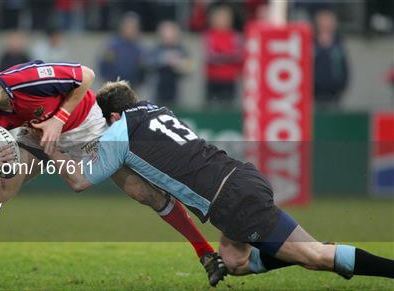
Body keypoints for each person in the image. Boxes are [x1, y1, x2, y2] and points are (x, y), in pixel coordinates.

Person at [39, 80, 394, 287]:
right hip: (241, 178)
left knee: (315, 257)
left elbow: (80, 181)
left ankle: (340, 257)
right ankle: (320, 252)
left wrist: (51, 145)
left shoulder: (117, 133)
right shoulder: (157, 110)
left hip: (231, 202)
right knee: (234, 261)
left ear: (111, 116)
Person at [0, 57, 219, 286]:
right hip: (37, 134)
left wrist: (58, 118)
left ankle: (206, 252)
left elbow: (85, 76)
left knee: (145, 192)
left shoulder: (28, 79)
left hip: (88, 126)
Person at [203, 5, 243, 107]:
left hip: (229, 78)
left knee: (228, 105)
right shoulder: (210, 35)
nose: (222, 21)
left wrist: (222, 56)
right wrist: (227, 56)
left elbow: (238, 55)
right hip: (213, 77)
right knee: (211, 105)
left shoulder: (235, 36)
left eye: (225, 19)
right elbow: (210, 56)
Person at [148, 21, 192, 106]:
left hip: (175, 88)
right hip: (158, 87)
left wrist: (178, 64)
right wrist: (163, 60)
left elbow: (189, 67)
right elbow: (148, 63)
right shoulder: (157, 49)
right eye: (165, 33)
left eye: (170, 33)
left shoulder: (180, 50)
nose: (168, 36)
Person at [99, 12, 146, 89]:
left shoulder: (139, 48)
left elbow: (144, 68)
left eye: (133, 27)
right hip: (114, 86)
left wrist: (139, 82)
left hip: (133, 87)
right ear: (122, 27)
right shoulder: (113, 45)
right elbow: (104, 64)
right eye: (128, 27)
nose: (130, 30)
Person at [313, 9, 349, 108]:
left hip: (334, 95)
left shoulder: (338, 46)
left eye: (329, 22)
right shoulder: (311, 44)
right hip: (314, 96)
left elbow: (345, 69)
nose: (326, 25)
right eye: (323, 22)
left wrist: (341, 86)